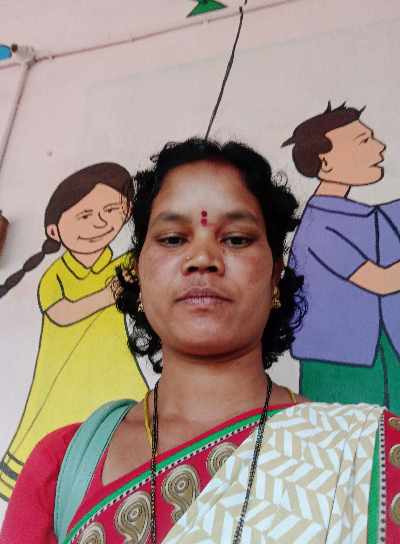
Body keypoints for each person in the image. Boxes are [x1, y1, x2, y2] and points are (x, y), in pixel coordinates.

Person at [1, 138, 399, 543]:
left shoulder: (365, 456)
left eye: (236, 239)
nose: (203, 258)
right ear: (137, 275)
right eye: (173, 239)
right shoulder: (62, 466)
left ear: (275, 277)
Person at [0, 163, 148, 501]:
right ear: (55, 230)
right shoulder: (55, 276)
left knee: (131, 437)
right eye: (85, 215)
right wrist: (108, 295)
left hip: (114, 369)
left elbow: (143, 302)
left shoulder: (124, 266)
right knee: (53, 452)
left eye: (111, 210)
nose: (100, 223)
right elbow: (64, 313)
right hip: (63, 377)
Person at [282, 102, 400, 411]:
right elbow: (382, 281)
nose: (380, 147)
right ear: (326, 162)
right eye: (364, 141)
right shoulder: (318, 226)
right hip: (342, 362)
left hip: (382, 351)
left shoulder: (362, 214)